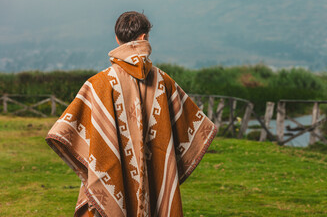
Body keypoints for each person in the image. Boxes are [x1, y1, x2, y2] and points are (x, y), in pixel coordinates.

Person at [46, 11, 217, 217]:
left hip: (113, 174)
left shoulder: (98, 84)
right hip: (156, 176)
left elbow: (66, 130)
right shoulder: (164, 82)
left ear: (117, 39)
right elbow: (195, 127)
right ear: (144, 37)